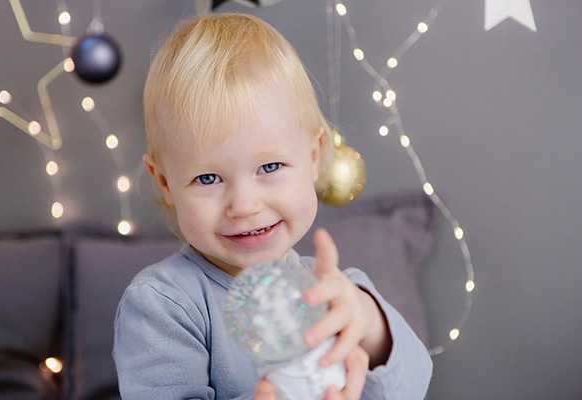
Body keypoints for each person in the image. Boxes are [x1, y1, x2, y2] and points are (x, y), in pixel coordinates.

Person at [113, 12, 432, 400]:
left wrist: (369, 324)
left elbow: (411, 387)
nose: (244, 205)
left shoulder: (333, 293)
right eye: (208, 178)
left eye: (270, 166)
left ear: (314, 158)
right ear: (164, 182)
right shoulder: (164, 305)